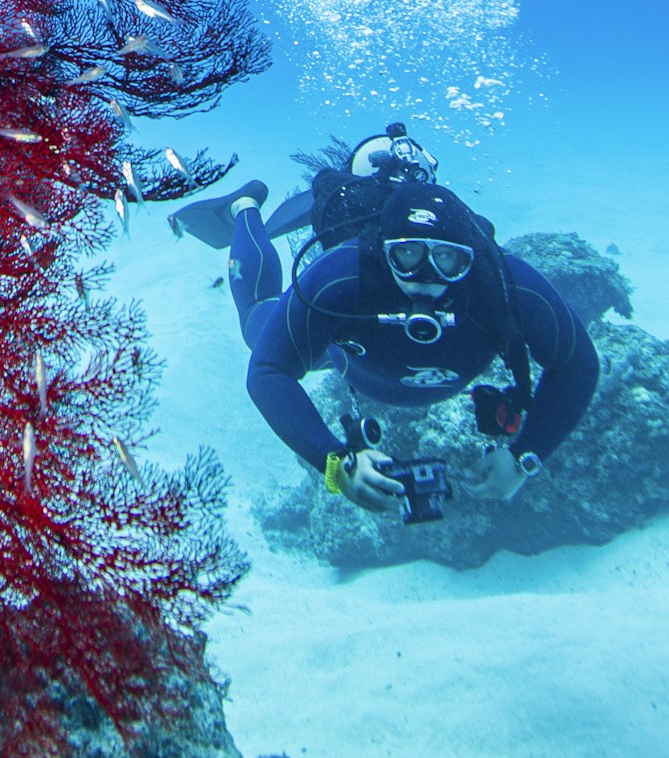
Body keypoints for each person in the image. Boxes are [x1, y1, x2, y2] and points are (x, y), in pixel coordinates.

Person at [173, 127, 597, 514]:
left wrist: (526, 457)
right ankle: (245, 208)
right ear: (382, 251)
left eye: (449, 260)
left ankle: (367, 178)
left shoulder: (502, 283)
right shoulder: (342, 276)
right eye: (408, 255)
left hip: (367, 358)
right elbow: (267, 371)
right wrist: (335, 463)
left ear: (472, 258)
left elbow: (578, 365)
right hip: (343, 349)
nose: (428, 278)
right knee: (256, 325)